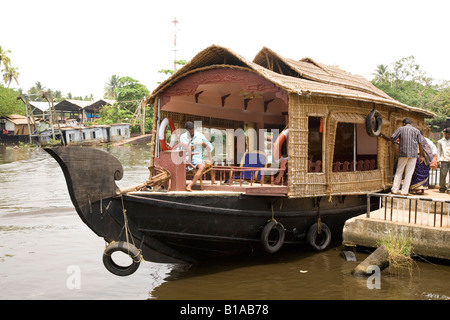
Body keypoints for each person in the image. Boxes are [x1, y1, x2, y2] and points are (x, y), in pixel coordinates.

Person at [379, 118, 424, 195]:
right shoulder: (417, 131)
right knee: (409, 173)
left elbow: (391, 138)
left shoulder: (401, 129)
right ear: (410, 123)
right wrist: (421, 156)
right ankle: (404, 191)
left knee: (399, 171)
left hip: (403, 153)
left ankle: (394, 190)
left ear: (403, 123)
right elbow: (420, 144)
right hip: (413, 154)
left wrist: (382, 135)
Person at [179, 121, 214, 191]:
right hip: (186, 158)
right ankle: (178, 185)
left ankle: (190, 185)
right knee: (176, 164)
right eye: (189, 131)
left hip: (196, 159)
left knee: (202, 166)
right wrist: (188, 149)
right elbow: (179, 149)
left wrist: (203, 143)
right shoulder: (182, 137)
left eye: (192, 131)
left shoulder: (200, 136)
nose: (191, 133)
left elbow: (211, 148)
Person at [436, 127, 450, 193]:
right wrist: (438, 161)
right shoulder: (440, 142)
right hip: (444, 159)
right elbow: (438, 151)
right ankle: (442, 187)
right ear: (445, 133)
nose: (449, 135)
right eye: (448, 134)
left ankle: (449, 188)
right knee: (443, 175)